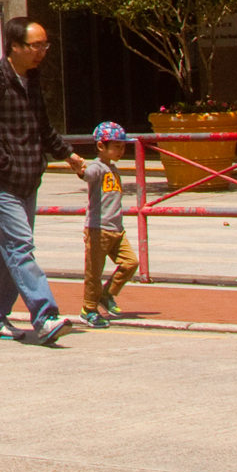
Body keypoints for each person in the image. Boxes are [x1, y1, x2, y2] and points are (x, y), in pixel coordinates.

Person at [0, 16, 85, 346]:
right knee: (20, 247)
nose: (42, 52)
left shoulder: (32, 79)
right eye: (36, 45)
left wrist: (68, 155)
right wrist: (3, 162)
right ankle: (45, 316)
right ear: (14, 46)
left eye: (45, 45)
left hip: (28, 180)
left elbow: (42, 127)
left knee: (9, 251)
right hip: (0, 183)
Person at [79, 120, 137, 327]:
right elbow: (87, 175)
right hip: (98, 229)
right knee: (93, 273)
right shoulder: (97, 167)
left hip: (116, 230)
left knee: (131, 263)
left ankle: (107, 294)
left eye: (123, 147)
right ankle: (89, 309)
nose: (121, 151)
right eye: (117, 146)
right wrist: (78, 167)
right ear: (101, 146)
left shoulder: (113, 169)